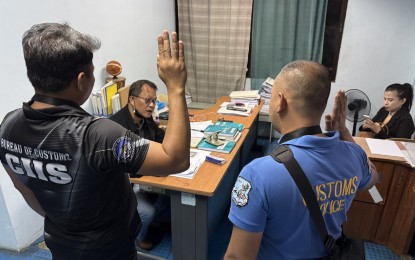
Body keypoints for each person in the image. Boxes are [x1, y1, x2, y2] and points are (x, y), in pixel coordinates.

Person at [0, 23, 190, 260]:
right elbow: (176, 159)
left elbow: (23, 187)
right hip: (110, 250)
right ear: (81, 80)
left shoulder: (8, 126)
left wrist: (64, 223)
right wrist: (176, 86)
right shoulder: (98, 134)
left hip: (59, 244)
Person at [224, 60, 379, 259]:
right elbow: (373, 175)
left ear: (280, 101)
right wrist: (346, 135)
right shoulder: (353, 155)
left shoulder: (257, 174)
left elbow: (238, 257)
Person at [109, 79, 170, 250]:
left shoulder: (145, 118)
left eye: (154, 101)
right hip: (126, 184)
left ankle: (159, 222)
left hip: (146, 176)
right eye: (147, 100)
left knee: (170, 193)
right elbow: (122, 169)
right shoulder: (116, 127)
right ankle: (136, 238)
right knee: (147, 212)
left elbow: (160, 138)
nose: (152, 105)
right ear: (132, 100)